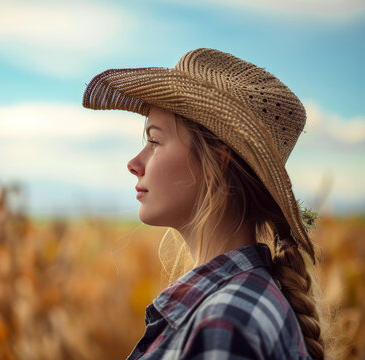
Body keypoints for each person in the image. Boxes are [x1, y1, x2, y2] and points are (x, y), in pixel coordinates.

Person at [82, 48, 325, 359]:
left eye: (155, 141)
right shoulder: (245, 301)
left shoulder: (222, 323)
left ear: (219, 162)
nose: (134, 163)